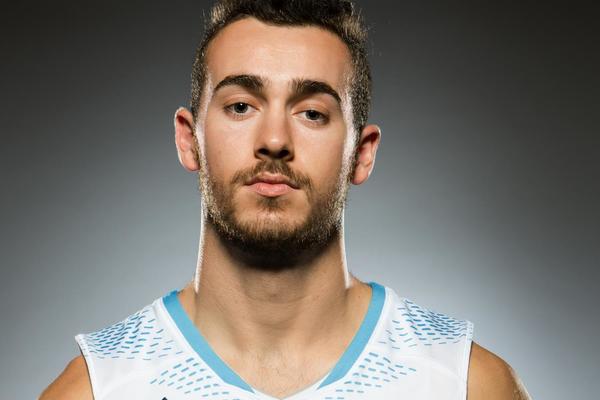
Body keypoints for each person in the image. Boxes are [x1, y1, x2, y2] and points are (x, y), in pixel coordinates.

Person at [40, 1, 531, 399]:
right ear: (189, 140)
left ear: (361, 154)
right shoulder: (97, 388)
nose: (274, 140)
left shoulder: (465, 384)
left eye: (312, 113)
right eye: (240, 106)